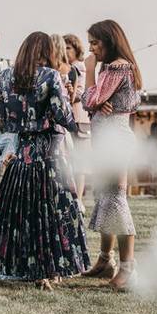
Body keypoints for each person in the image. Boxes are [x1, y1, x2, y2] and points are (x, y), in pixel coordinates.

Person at [0, 32, 89, 290]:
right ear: (47, 52)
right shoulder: (50, 76)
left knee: (8, 217)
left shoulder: (5, 76)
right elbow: (62, 116)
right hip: (48, 157)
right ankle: (46, 271)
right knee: (49, 215)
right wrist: (68, 102)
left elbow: (1, 119)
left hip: (20, 156)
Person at [81, 19, 142, 291]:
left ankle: (129, 269)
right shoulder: (116, 68)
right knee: (105, 199)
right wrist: (97, 102)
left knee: (116, 200)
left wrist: (89, 71)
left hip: (115, 142)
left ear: (109, 40)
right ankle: (105, 260)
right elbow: (96, 101)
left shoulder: (117, 67)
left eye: (95, 42)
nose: (91, 49)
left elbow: (88, 100)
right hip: (108, 141)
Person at [64, 33, 90, 201]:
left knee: (79, 163)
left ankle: (78, 200)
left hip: (79, 120)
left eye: (69, 47)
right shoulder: (66, 68)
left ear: (76, 49)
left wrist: (69, 92)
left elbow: (81, 92)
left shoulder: (78, 67)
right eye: (64, 47)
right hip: (71, 119)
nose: (66, 51)